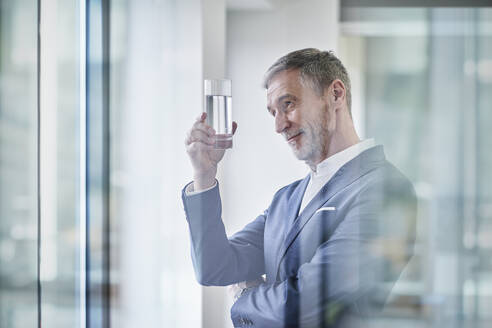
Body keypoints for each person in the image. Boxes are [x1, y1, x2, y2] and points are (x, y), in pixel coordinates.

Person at [182, 48, 417, 328]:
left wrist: (244, 297)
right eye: (273, 113)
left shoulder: (386, 190)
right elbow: (215, 267)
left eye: (289, 104)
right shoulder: (286, 198)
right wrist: (204, 176)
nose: (280, 125)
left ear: (336, 94)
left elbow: (307, 303)